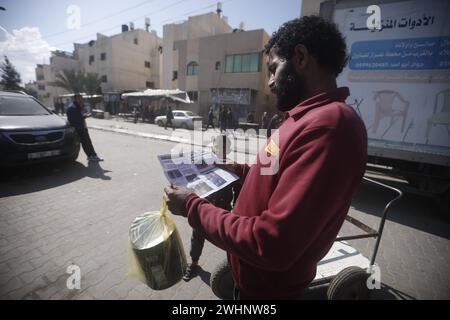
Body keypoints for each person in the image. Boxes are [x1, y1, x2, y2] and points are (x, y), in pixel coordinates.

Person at [164, 16, 367, 299]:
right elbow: (272, 173)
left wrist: (192, 207)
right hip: (248, 280)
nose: (270, 82)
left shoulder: (330, 126)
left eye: (273, 69)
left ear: (300, 57)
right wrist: (234, 169)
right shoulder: (300, 118)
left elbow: (271, 244)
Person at [67, 93, 103, 162]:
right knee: (86, 143)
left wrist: (84, 115)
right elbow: (74, 119)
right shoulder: (72, 108)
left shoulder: (77, 106)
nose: (81, 100)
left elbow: (79, 116)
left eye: (81, 98)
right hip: (79, 128)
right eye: (79, 98)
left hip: (82, 127)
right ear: (75, 99)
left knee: (87, 142)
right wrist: (84, 116)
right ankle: (92, 156)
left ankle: (91, 155)